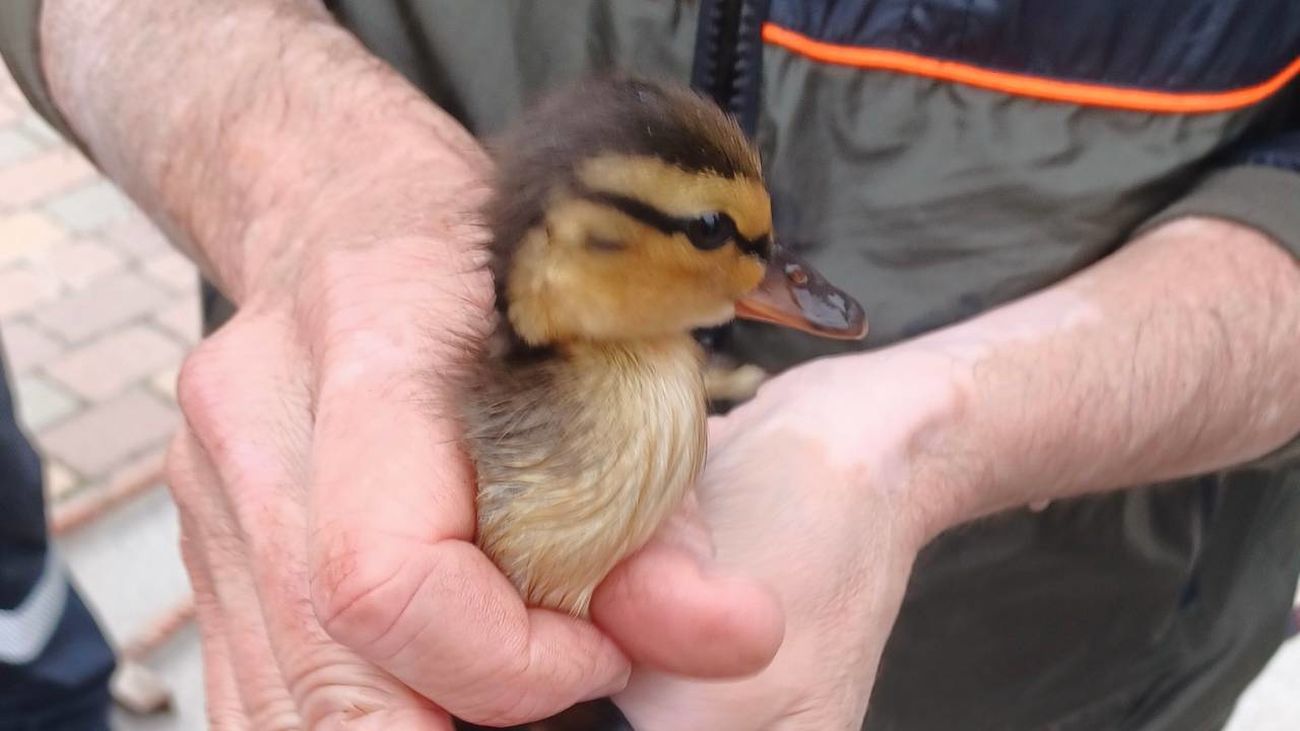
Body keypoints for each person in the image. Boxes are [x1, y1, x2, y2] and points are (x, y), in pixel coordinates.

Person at [2, 1, 1298, 729]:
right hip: (377, 585)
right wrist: (299, 187)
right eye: (715, 245)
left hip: (1077, 677)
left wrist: (941, 427)